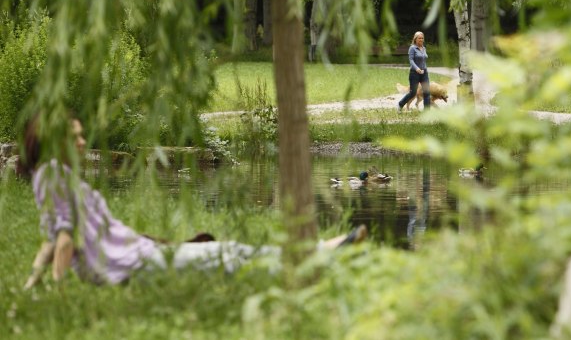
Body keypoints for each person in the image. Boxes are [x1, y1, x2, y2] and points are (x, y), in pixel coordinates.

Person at [19, 116, 367, 289]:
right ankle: (316, 257)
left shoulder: (52, 176)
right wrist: (57, 287)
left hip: (134, 255)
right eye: (74, 136)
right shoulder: (53, 176)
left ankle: (315, 254)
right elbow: (64, 238)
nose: (82, 141)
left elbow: (53, 238)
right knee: (226, 254)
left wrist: (34, 280)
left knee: (229, 252)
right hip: (127, 264)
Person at [397, 31, 431, 111]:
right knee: (413, 93)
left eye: (422, 38)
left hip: (424, 73)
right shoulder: (412, 48)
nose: (421, 40)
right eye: (419, 38)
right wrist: (417, 68)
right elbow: (411, 60)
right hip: (414, 73)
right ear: (415, 39)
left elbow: (424, 59)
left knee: (426, 92)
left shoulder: (423, 48)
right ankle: (400, 104)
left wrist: (424, 69)